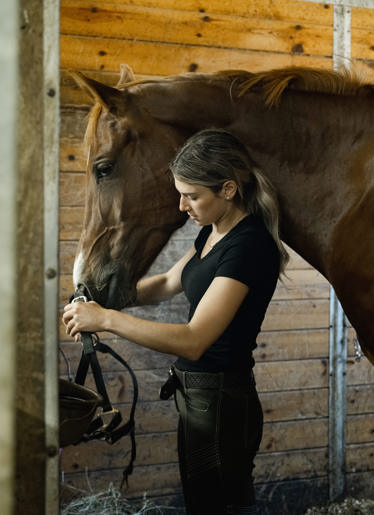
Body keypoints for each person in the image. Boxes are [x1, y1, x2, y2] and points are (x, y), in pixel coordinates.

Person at [62, 129, 289, 514]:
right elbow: (168, 283)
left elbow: (194, 340)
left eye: (193, 195)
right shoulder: (213, 233)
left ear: (229, 189)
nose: (182, 205)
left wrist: (106, 319)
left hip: (221, 399)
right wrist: (107, 296)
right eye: (180, 193)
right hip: (199, 396)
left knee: (221, 506)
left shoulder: (248, 246)